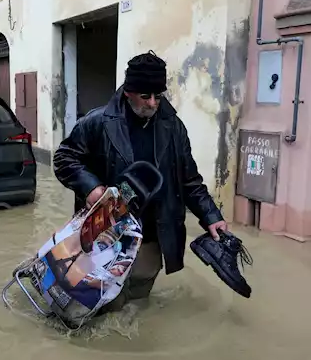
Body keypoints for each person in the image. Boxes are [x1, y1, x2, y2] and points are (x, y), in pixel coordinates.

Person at [53, 52, 228, 313]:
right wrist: (91, 188)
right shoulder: (96, 123)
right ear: (128, 92)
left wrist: (212, 216)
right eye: (145, 96)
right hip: (105, 236)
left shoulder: (174, 128)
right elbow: (64, 159)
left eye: (159, 95)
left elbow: (189, 180)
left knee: (137, 303)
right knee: (101, 306)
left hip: (152, 236)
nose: (153, 103)